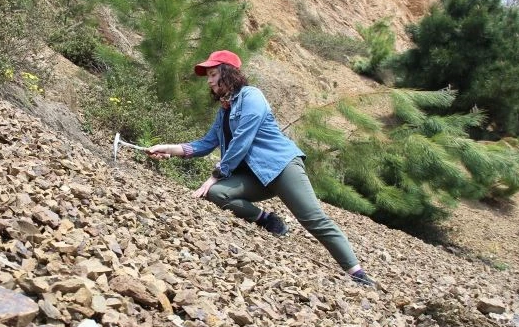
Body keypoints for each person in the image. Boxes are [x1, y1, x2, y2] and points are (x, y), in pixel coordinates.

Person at [147, 50, 375, 286]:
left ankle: (356, 272)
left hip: (282, 167)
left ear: (229, 73)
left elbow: (243, 140)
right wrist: (169, 149)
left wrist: (215, 174)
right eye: (208, 76)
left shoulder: (252, 96)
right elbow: (205, 144)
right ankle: (267, 220)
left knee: (312, 219)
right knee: (216, 193)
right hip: (256, 176)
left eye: (214, 74)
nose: (210, 80)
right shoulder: (223, 112)